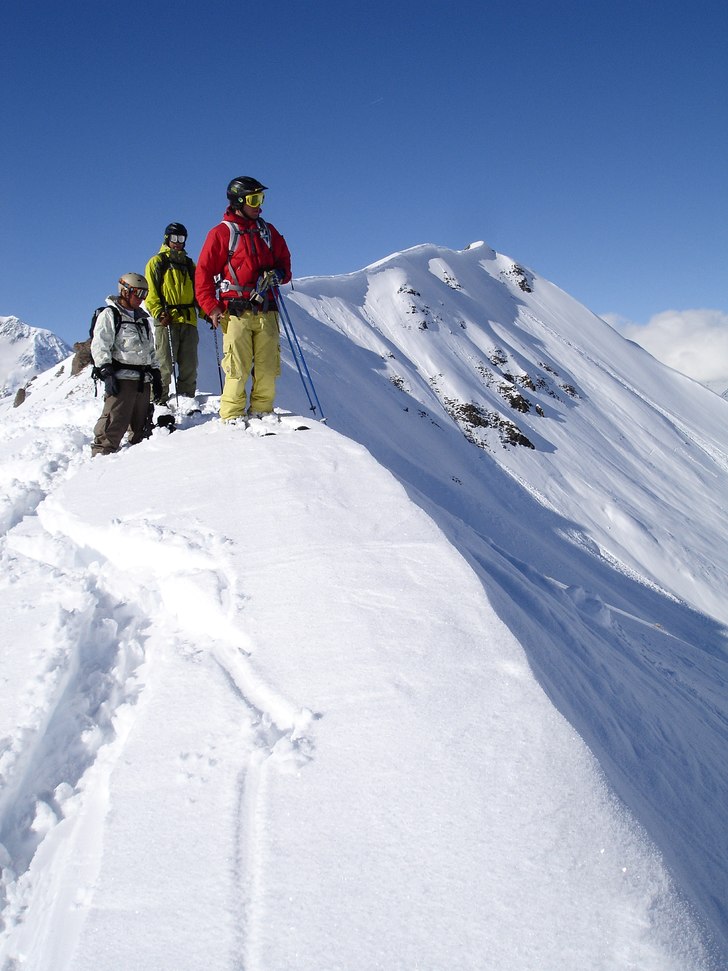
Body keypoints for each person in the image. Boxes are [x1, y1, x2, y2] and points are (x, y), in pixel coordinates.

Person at [195, 177, 292, 420]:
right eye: (254, 199)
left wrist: (279, 274)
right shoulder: (221, 233)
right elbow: (203, 274)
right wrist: (211, 308)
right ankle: (232, 416)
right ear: (239, 201)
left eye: (261, 198)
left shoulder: (268, 232)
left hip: (267, 310)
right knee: (237, 368)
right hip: (235, 312)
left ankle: (262, 411)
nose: (259, 205)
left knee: (268, 367)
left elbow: (285, 263)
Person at [91, 273, 163, 456]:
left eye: (145, 294)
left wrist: (156, 373)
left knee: (142, 428)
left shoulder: (142, 320)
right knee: (113, 423)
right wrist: (106, 371)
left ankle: (137, 462)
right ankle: (100, 458)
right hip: (122, 379)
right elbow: (100, 344)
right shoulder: (111, 314)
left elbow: (150, 348)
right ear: (125, 291)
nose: (142, 299)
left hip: (142, 380)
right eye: (139, 293)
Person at [145, 222, 200, 404]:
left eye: (181, 238)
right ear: (167, 239)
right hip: (167, 319)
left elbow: (198, 292)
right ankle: (158, 401)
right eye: (174, 238)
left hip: (188, 319)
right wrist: (159, 312)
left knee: (189, 365)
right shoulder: (157, 262)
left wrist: (207, 313)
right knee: (164, 364)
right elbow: (151, 292)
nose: (177, 242)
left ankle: (186, 400)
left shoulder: (189, 264)